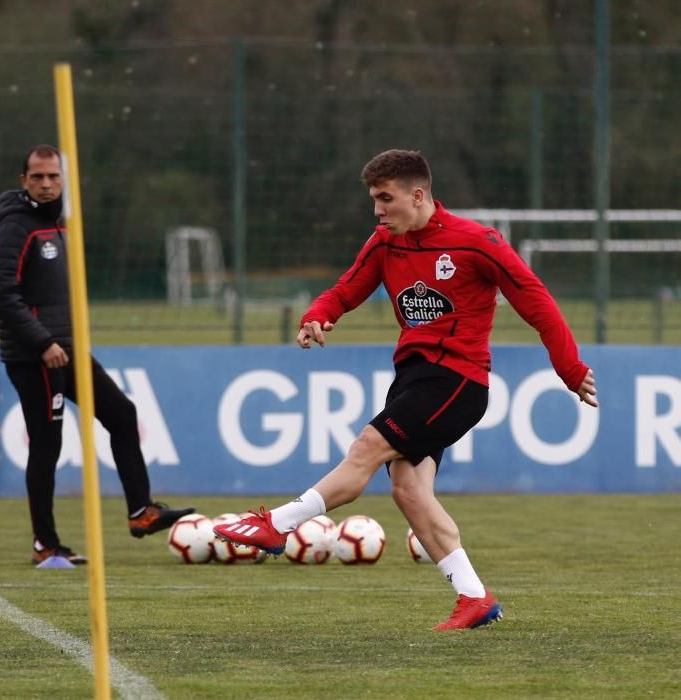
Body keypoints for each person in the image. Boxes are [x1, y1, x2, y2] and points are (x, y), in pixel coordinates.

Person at [215, 149, 598, 630]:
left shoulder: (477, 243)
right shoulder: (384, 243)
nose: (377, 210)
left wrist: (569, 367)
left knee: (367, 446)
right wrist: (317, 315)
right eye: (374, 200)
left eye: (384, 199)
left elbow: (536, 300)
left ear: (417, 196)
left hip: (457, 380)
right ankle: (475, 598)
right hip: (413, 379)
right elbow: (345, 290)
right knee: (409, 491)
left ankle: (279, 524)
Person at [0, 144, 194, 566]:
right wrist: (43, 342)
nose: (46, 184)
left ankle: (141, 511)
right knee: (47, 446)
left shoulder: (63, 223)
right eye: (38, 177)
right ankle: (45, 544)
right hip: (37, 357)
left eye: (54, 177)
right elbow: (1, 293)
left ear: (64, 180)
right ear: (23, 180)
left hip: (69, 350)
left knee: (122, 414)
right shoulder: (14, 228)